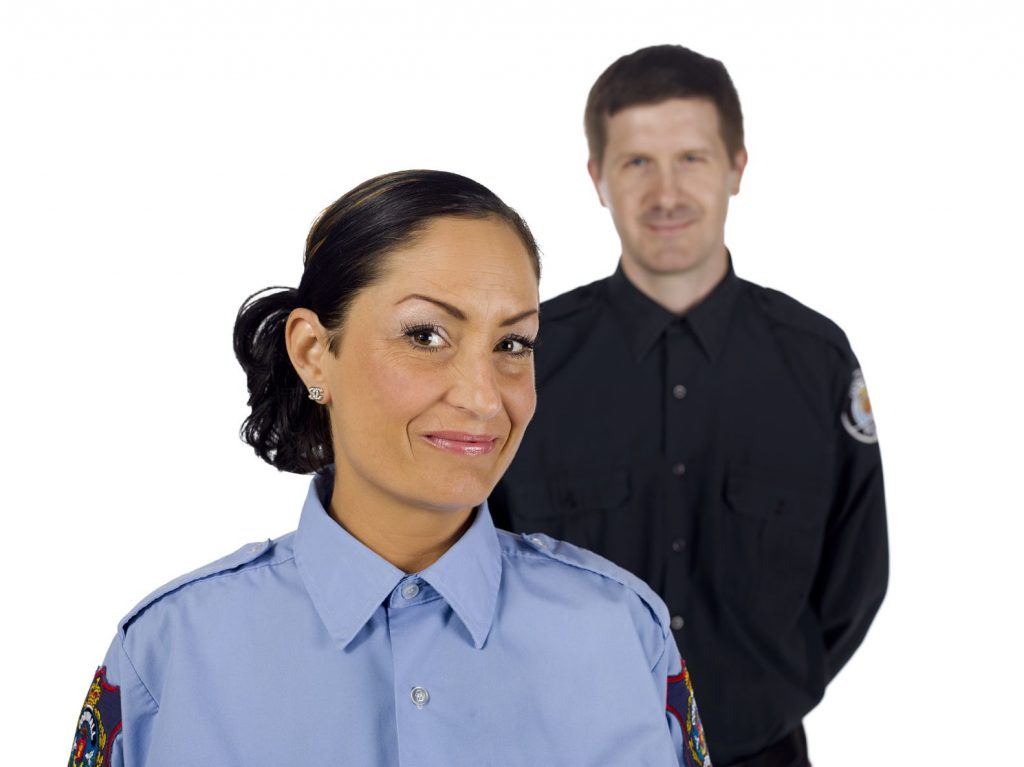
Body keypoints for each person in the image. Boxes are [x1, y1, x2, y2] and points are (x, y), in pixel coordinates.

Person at [67, 170, 713, 767]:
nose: (485, 397)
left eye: (512, 343)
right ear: (314, 352)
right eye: (426, 335)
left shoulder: (626, 637)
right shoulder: (168, 658)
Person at [489, 45, 889, 767]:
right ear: (597, 179)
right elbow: (475, 557)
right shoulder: (524, 359)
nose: (665, 193)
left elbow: (855, 577)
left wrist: (762, 695)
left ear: (737, 166)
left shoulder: (817, 361)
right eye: (637, 162)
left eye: (692, 159)